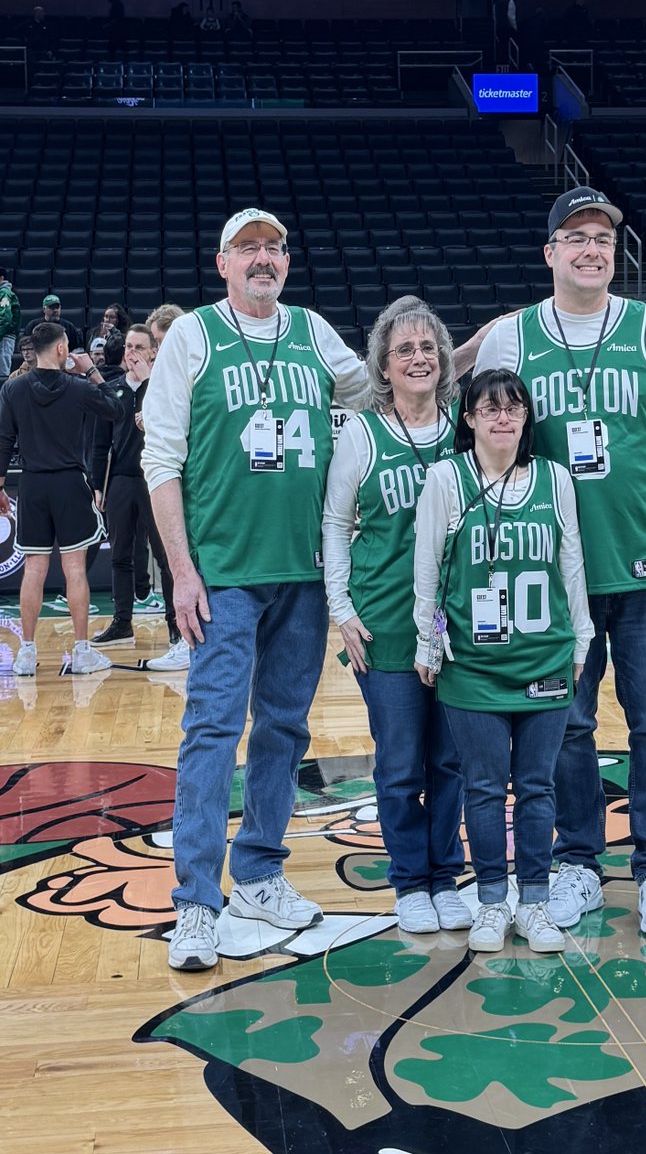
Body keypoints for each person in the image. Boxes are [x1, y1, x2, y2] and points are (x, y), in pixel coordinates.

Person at [472, 187, 646, 940]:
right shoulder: (511, 339)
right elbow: (487, 446)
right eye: (575, 237)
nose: (591, 249)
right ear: (550, 252)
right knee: (567, 728)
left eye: (602, 238)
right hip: (552, 573)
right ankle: (577, 860)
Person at [141, 208, 373, 972]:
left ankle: (261, 875)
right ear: (223, 263)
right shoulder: (193, 336)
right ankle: (196, 903)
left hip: (303, 573)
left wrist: (457, 353)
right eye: (248, 248)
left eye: (274, 247)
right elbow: (161, 459)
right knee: (212, 730)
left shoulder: (312, 332)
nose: (263, 258)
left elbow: (381, 391)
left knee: (284, 730)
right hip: (224, 577)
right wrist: (182, 571)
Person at [413, 368, 593, 953]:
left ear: (526, 418)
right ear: (468, 418)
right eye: (489, 408)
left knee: (538, 787)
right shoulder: (445, 478)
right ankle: (492, 901)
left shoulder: (555, 479)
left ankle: (534, 903)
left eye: (513, 407)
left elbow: (572, 564)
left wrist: (582, 639)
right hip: (473, 663)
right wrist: (426, 643)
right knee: (485, 787)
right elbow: (427, 570)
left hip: (544, 658)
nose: (502, 417)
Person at [322, 296, 470, 934]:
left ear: (444, 359)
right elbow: (335, 523)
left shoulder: (466, 425)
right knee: (402, 762)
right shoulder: (362, 432)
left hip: (459, 623)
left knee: (451, 761)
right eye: (403, 349)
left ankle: (446, 876)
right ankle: (411, 880)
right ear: (382, 365)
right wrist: (341, 608)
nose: (418, 358)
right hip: (384, 619)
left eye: (428, 347)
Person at [0, 323, 123, 677]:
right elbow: (116, 410)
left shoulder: (12, 388)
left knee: (34, 569)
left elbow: (3, 439)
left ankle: (26, 653)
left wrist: (0, 487)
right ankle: (82, 651)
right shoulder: (78, 387)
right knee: (74, 569)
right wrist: (92, 371)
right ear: (59, 350)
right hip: (70, 483)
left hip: (32, 485)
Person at [89, 325, 181, 663]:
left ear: (153, 351)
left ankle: (175, 623)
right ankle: (122, 622)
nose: (132, 352)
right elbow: (100, 443)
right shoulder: (113, 388)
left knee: (165, 555)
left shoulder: (161, 386)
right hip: (122, 480)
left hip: (157, 480)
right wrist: (98, 485)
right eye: (128, 346)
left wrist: (148, 382)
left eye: (139, 347)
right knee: (120, 555)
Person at [0, 268, 20, 380]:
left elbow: (5, 318)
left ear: (1, 278)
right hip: (3, 335)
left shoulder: (4, 293)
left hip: (4, 336)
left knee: (2, 371)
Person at [494, 0, 517, 65]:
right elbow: (511, 17)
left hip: (499, 28)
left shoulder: (496, 4)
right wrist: (515, 27)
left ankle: (501, 62)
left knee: (501, 46)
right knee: (508, 46)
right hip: (507, 28)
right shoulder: (510, 2)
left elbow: (495, 18)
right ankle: (509, 62)